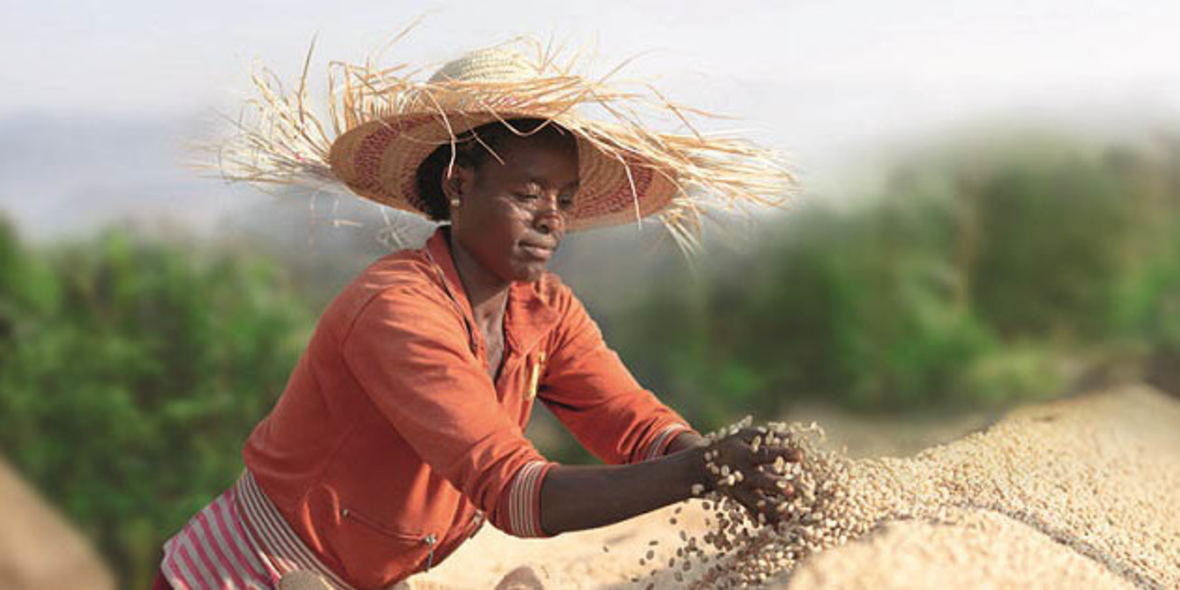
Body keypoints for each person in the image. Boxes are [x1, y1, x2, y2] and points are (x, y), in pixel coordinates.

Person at [156, 37, 796, 590]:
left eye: (564, 199)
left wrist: (721, 460)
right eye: (527, 193)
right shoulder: (398, 311)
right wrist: (702, 470)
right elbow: (514, 492)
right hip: (249, 572)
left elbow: (630, 424)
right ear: (460, 187)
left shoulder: (543, 310)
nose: (551, 218)